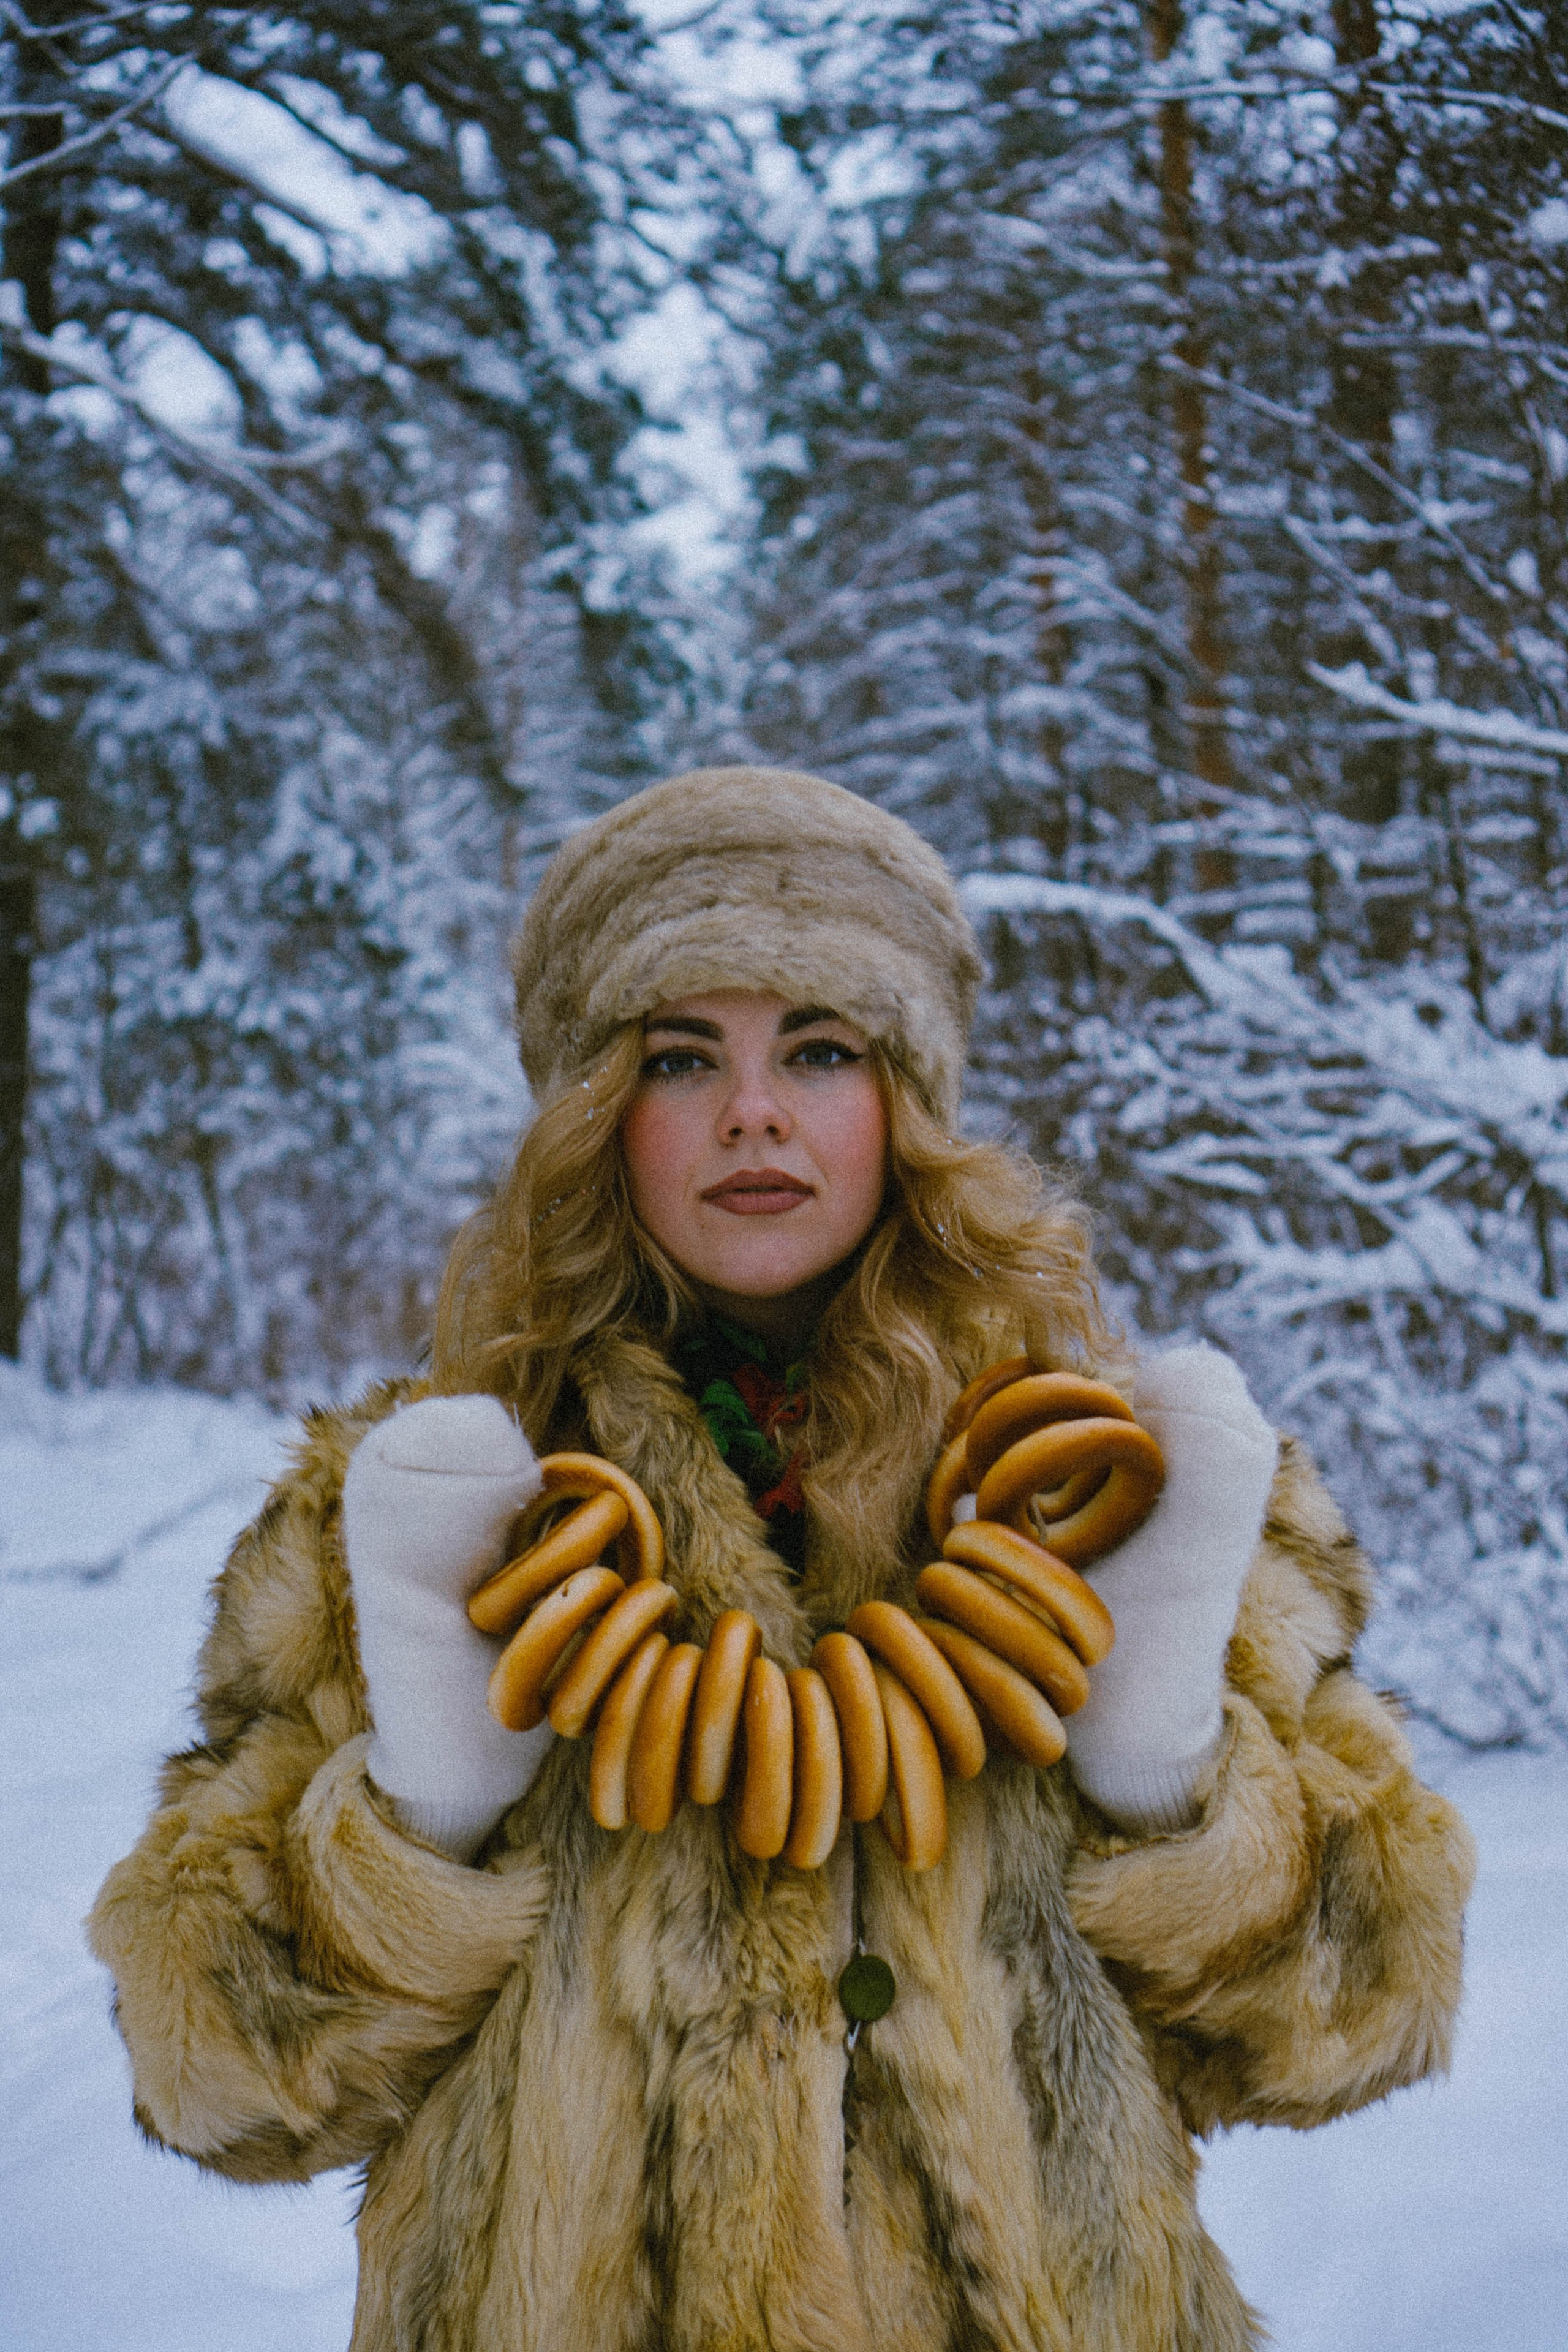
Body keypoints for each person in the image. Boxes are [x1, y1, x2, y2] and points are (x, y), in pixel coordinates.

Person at [89, 769, 1476, 2352]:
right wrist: (422, 1814)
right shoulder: (421, 1507)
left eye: (818, 1049)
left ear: (906, 1098)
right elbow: (213, 2075)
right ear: (601, 1113)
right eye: (686, 1057)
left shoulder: (1119, 1489)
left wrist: (1170, 1767)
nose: (754, 1111)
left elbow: (1362, 2016)